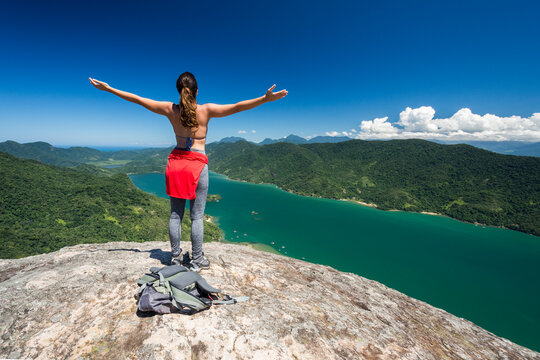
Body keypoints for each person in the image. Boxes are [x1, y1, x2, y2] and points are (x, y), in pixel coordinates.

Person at [89, 72, 288, 270]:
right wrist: (265, 99)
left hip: (176, 163)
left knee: (175, 215)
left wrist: (109, 89)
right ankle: (197, 259)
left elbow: (140, 100)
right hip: (197, 165)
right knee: (197, 216)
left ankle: (175, 257)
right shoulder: (206, 110)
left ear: (178, 90)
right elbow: (237, 107)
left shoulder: (170, 109)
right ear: (197, 91)